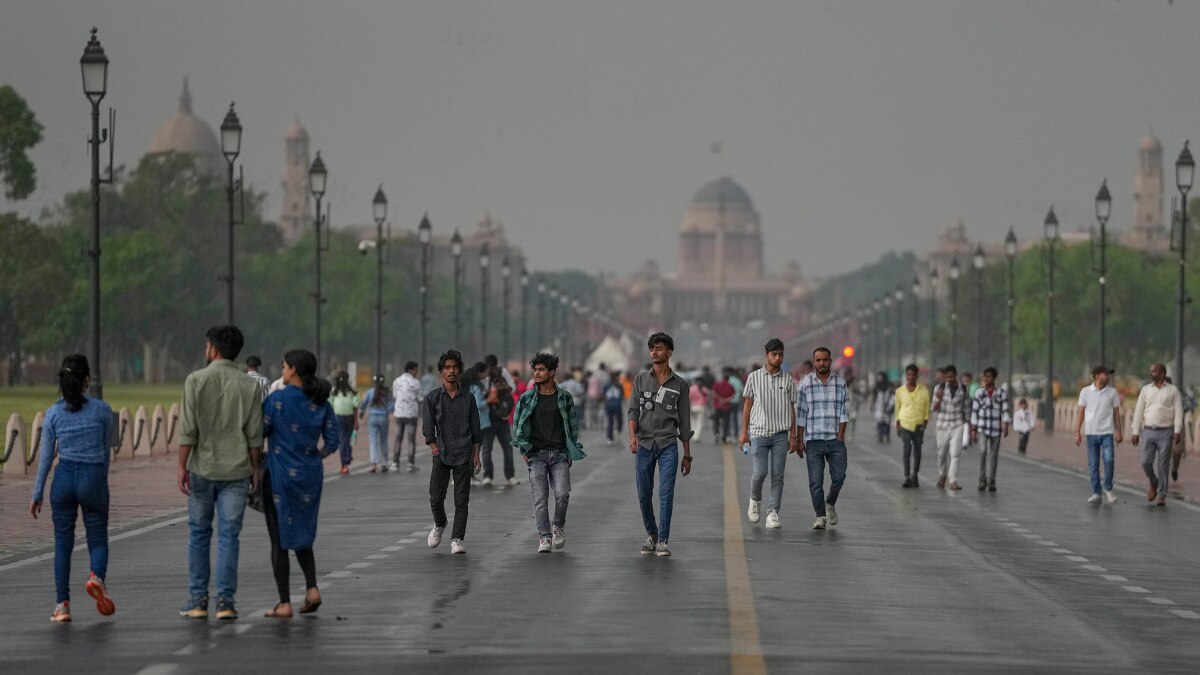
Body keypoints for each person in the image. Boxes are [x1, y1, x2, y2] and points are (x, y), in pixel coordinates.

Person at [178, 325, 263, 621]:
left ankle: (197, 600)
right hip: (237, 470)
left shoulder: (195, 380)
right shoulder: (249, 385)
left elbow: (188, 430)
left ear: (213, 349)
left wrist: (181, 466)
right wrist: (254, 469)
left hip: (201, 467)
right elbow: (254, 435)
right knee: (229, 536)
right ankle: (225, 601)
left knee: (199, 534)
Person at [30, 355, 116, 622]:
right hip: (93, 477)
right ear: (87, 381)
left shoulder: (53, 414)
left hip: (64, 478)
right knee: (98, 538)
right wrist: (99, 478)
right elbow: (105, 450)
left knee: (62, 544)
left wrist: (37, 493)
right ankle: (96, 577)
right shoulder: (102, 410)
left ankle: (62, 605)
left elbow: (45, 458)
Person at [261, 349, 339, 618]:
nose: (282, 371)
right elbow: (332, 442)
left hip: (279, 475)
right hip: (310, 475)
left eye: (284, 366)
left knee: (279, 538)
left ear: (292, 369)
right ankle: (312, 588)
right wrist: (313, 456)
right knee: (303, 533)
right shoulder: (321, 402)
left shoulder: (277, 400)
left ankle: (284, 603)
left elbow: (260, 430)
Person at [628, 333, 693, 557]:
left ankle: (663, 540)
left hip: (668, 444)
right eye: (651, 349)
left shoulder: (680, 385)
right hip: (644, 444)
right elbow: (633, 411)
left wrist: (687, 455)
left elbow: (685, 421)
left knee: (666, 493)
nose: (654, 352)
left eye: (658, 348)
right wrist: (632, 437)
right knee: (643, 494)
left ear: (669, 353)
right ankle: (652, 534)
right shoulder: (640, 380)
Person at [513, 352, 585, 553]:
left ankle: (558, 525)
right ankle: (544, 537)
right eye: (535, 370)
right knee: (540, 499)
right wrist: (523, 447)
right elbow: (517, 423)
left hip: (560, 454)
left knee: (562, 494)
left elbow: (571, 427)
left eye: (541, 370)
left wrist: (571, 450)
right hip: (536, 455)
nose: (537, 373)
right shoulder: (527, 398)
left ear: (552, 372)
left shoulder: (564, 397)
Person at [423, 350, 482, 554]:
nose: (451, 371)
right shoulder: (432, 398)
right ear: (441, 371)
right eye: (447, 367)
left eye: (455, 367)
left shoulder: (469, 398)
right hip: (441, 452)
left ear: (460, 370)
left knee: (461, 500)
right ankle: (440, 524)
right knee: (435, 497)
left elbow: (475, 429)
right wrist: (434, 448)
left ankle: (457, 539)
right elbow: (428, 427)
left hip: (464, 453)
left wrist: (476, 454)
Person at [739, 338, 797, 529]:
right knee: (760, 472)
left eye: (780, 354)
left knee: (778, 475)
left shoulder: (788, 380)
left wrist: (793, 435)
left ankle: (773, 512)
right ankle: (755, 500)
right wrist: (744, 432)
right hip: (759, 432)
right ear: (766, 355)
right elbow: (747, 406)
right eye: (774, 354)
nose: (778, 358)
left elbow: (792, 409)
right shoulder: (754, 377)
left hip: (781, 433)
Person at [796, 347, 849, 530]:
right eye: (818, 360)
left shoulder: (840, 383)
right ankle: (820, 516)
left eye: (825, 360)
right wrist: (799, 440)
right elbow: (801, 414)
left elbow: (844, 411)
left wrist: (840, 435)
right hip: (813, 441)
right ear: (813, 362)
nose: (821, 363)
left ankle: (830, 503)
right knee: (815, 482)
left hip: (835, 440)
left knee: (839, 477)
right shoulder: (805, 384)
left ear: (830, 361)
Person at [1131, 363, 1184, 507]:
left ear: (1162, 373)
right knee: (1145, 461)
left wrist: (1177, 430)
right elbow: (1138, 411)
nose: (1150, 373)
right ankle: (1154, 482)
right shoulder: (1146, 390)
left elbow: (1179, 411)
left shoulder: (1173, 390)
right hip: (1148, 431)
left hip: (1166, 432)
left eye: (1153, 371)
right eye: (1150, 371)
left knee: (1163, 465)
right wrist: (1135, 431)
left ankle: (1161, 494)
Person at [1072, 365, 1123, 505]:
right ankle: (1096, 492)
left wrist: (1119, 432)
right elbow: (1081, 412)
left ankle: (1108, 487)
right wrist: (1077, 432)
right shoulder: (1085, 392)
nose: (1108, 377)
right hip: (1091, 433)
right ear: (1096, 376)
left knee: (1108, 460)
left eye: (1108, 374)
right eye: (1105, 374)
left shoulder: (1112, 392)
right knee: (1093, 464)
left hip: (1107, 432)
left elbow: (1117, 414)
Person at [969, 367, 1010, 492]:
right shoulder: (979, 393)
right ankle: (982, 479)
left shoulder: (1001, 393)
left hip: (996, 428)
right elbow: (974, 412)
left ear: (994, 378)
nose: (986, 379)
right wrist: (973, 429)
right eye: (985, 377)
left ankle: (991, 480)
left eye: (989, 377)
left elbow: (1005, 410)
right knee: (982, 452)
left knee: (993, 455)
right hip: (982, 427)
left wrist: (1006, 425)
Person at [483, 360, 519, 486]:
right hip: (490, 421)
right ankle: (488, 475)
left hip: (502, 421)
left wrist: (507, 414)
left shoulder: (503, 376)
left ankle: (510, 475)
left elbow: (511, 399)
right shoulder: (486, 382)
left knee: (507, 448)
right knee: (487, 449)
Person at [894, 363, 930, 488]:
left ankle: (915, 474)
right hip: (904, 424)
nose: (910, 377)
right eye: (908, 374)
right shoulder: (899, 391)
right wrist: (897, 424)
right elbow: (897, 408)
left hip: (919, 425)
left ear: (916, 376)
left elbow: (926, 409)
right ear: (906, 375)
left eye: (913, 375)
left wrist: (925, 423)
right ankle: (907, 476)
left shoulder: (924, 391)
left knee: (918, 451)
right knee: (907, 449)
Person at [932, 365, 968, 490]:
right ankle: (942, 475)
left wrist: (970, 425)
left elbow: (966, 407)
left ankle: (953, 480)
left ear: (956, 375)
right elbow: (933, 408)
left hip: (957, 425)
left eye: (951, 376)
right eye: (946, 377)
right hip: (942, 426)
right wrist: (939, 399)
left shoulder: (963, 389)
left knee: (955, 453)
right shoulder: (939, 388)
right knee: (941, 453)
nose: (949, 379)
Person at [358, 374, 394, 473]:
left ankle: (374, 464)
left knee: (373, 440)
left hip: (372, 418)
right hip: (383, 418)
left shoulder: (370, 392)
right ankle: (384, 463)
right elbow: (391, 406)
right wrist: (387, 411)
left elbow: (364, 403)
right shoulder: (386, 392)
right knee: (383, 441)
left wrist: (361, 412)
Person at [465, 363, 494, 486]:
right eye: (485, 372)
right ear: (479, 373)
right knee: (475, 451)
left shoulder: (467, 386)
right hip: (480, 422)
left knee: (469, 451)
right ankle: (470, 476)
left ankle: (466, 476)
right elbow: (477, 404)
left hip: (470, 422)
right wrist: (489, 400)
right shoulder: (476, 387)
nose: (486, 375)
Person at [391, 361, 422, 472]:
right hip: (411, 414)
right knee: (411, 440)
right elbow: (419, 398)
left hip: (399, 413)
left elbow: (395, 396)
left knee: (398, 438)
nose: (417, 372)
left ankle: (395, 463)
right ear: (411, 370)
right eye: (416, 370)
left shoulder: (396, 381)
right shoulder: (416, 382)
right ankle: (410, 463)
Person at [329, 371, 359, 474]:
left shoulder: (334, 391)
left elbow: (330, 405)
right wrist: (356, 421)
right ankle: (347, 458)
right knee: (347, 439)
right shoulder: (352, 392)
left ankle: (344, 463)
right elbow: (355, 407)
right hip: (349, 417)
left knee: (342, 440)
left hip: (338, 418)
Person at [711, 372, 735, 443]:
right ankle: (724, 435)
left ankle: (716, 433)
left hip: (717, 406)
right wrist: (725, 400)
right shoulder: (730, 386)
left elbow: (713, 393)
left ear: (722, 378)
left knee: (716, 421)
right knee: (726, 422)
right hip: (726, 407)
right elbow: (733, 395)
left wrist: (720, 399)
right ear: (728, 379)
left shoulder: (717, 384)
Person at [603, 371, 625, 446]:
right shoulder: (619, 385)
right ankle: (618, 433)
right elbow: (622, 396)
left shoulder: (606, 385)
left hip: (608, 406)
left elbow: (604, 396)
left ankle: (610, 438)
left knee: (610, 422)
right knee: (619, 421)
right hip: (617, 406)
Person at [872, 372, 894, 443]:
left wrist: (890, 404)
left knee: (887, 421)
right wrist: (872, 404)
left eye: (881, 377)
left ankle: (887, 435)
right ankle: (880, 434)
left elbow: (893, 395)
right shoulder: (877, 386)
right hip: (879, 406)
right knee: (879, 421)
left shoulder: (889, 385)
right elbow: (874, 396)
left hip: (888, 405)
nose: (879, 378)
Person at [688, 375, 709, 445]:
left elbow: (688, 398)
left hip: (693, 407)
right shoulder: (704, 389)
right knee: (699, 423)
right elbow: (707, 399)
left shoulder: (692, 388)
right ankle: (696, 437)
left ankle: (693, 436)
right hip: (701, 407)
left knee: (693, 422)